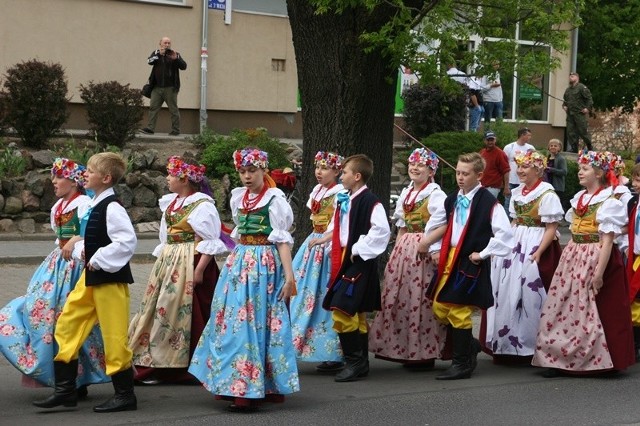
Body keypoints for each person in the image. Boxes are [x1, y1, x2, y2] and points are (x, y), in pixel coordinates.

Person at [188, 148, 299, 412]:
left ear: (263, 170)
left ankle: (250, 389)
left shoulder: (274, 200)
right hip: (239, 265)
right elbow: (237, 236)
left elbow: (282, 241)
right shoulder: (240, 199)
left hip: (264, 265)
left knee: (256, 325)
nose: (247, 177)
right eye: (242, 171)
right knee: (233, 324)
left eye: (252, 171)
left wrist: (289, 277)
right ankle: (233, 383)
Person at [33, 152, 138, 412]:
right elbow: (89, 240)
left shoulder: (112, 207)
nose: (85, 175)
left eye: (90, 171)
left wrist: (98, 257)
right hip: (90, 279)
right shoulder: (93, 204)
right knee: (67, 324)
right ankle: (66, 390)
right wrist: (86, 253)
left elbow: (126, 242)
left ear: (106, 177)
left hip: (109, 281)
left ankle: (125, 395)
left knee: (114, 337)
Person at [0, 159, 109, 395]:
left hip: (77, 265)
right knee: (44, 315)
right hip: (58, 265)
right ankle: (66, 378)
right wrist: (64, 244)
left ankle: (77, 379)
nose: (53, 182)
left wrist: (74, 240)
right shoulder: (58, 206)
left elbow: (92, 233)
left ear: (73, 181)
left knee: (71, 321)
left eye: (58, 177)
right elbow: (58, 235)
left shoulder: (84, 204)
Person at [532, 150, 634, 377]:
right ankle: (558, 357)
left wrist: (599, 274)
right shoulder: (579, 198)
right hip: (574, 255)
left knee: (593, 309)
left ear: (598, 173)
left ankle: (598, 360)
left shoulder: (609, 202)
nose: (580, 172)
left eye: (585, 169)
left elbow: (607, 242)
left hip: (597, 257)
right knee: (562, 307)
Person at [128, 157, 228, 385]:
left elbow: (209, 240)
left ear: (184, 179)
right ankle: (155, 360)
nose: (167, 178)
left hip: (190, 262)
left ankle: (181, 364)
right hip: (170, 261)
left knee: (183, 311)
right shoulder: (172, 203)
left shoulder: (202, 205)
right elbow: (166, 236)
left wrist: (200, 270)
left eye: (171, 175)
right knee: (158, 307)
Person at [426, 152, 514, 380]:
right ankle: (469, 346)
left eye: (465, 173)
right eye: (457, 172)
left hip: (469, 261)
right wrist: (435, 249)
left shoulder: (488, 202)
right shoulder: (453, 198)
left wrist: (483, 253)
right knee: (439, 306)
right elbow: (438, 224)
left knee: (458, 309)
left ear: (479, 175)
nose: (460, 177)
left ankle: (462, 363)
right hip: (449, 258)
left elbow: (505, 236)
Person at [312, 154, 391, 382]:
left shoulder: (370, 201)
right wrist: (328, 241)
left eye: (345, 172)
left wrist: (357, 249)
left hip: (358, 262)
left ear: (357, 176)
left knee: (342, 308)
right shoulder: (345, 198)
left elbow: (382, 231)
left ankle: (354, 362)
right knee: (355, 312)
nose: (342, 175)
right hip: (346, 259)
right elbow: (340, 227)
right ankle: (360, 363)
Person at [369, 148, 447, 368]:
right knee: (401, 296)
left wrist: (428, 243)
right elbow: (402, 227)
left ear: (431, 170)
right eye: (413, 164)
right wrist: (395, 251)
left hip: (424, 248)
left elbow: (444, 224)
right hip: (406, 248)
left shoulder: (435, 194)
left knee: (422, 299)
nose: (414, 168)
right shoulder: (407, 192)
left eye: (420, 165)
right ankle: (404, 348)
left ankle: (424, 351)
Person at [485, 151, 563, 364]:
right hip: (517, 241)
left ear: (538, 169)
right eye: (518, 166)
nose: (519, 170)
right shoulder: (518, 193)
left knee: (529, 294)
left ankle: (529, 345)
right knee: (507, 291)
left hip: (536, 241)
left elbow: (551, 227)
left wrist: (538, 251)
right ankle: (508, 344)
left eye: (525, 167)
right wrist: (503, 244)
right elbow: (514, 221)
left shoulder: (547, 195)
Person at [289, 151, 345, 372]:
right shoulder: (318, 191)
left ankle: (332, 351)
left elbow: (340, 223)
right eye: (317, 167)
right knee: (303, 294)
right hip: (313, 243)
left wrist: (325, 240)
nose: (319, 172)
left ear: (337, 171)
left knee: (323, 295)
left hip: (329, 244)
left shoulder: (340, 194)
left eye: (325, 168)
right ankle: (299, 343)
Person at [141, 36, 187, 136]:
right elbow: (149, 61)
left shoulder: (175, 54)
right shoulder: (156, 53)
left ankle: (176, 130)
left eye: (168, 43)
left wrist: (176, 59)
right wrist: (158, 55)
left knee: (173, 109)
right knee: (153, 108)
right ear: (160, 43)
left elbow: (184, 66)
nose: (167, 45)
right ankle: (150, 128)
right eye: (165, 43)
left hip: (170, 88)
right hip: (156, 87)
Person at [624, 163, 640, 362]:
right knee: (634, 300)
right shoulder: (635, 203)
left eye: (637, 179)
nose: (634, 183)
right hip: (636, 257)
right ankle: (636, 343)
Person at [502, 128, 535, 210]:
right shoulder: (509, 147)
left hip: (525, 180)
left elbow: (534, 163)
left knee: (523, 203)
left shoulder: (530, 148)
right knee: (508, 203)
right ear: (522, 135)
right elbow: (504, 164)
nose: (530, 137)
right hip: (511, 180)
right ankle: (507, 221)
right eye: (528, 135)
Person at [562, 72, 593, 152]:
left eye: (572, 76)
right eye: (570, 77)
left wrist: (587, 108)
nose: (570, 78)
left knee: (582, 131)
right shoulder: (568, 90)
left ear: (577, 77)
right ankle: (574, 148)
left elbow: (589, 99)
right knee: (570, 132)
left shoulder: (582, 88)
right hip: (570, 114)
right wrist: (564, 106)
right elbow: (565, 101)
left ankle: (589, 146)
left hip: (579, 113)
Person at [479, 131, 510, 200]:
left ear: (495, 140)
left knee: (488, 207)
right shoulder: (482, 152)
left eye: (492, 140)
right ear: (484, 141)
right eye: (488, 140)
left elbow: (506, 171)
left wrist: (506, 187)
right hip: (481, 186)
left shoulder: (500, 153)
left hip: (493, 188)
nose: (490, 142)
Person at [545, 138, 568, 212]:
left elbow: (564, 172)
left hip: (557, 186)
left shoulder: (561, 159)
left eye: (555, 146)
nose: (553, 147)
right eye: (551, 145)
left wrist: (551, 169)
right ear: (548, 147)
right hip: (547, 184)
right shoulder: (546, 158)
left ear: (559, 148)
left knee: (556, 205)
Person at [483, 61, 503, 125]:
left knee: (499, 120)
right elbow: (481, 88)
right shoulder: (485, 74)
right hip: (489, 100)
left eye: (498, 64)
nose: (497, 66)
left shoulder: (497, 73)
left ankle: (499, 134)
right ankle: (487, 133)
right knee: (487, 119)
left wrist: (501, 98)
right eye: (495, 64)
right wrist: (491, 85)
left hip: (498, 100)